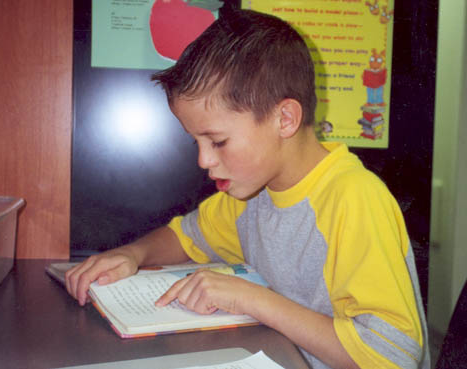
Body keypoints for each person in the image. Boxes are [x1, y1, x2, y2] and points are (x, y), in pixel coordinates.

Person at [66, 9, 430, 369]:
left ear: (284, 120)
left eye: (218, 141)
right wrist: (133, 254)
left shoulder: (354, 198)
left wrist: (253, 300)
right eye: (197, 143)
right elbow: (188, 235)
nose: (204, 161)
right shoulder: (252, 193)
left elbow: (391, 356)